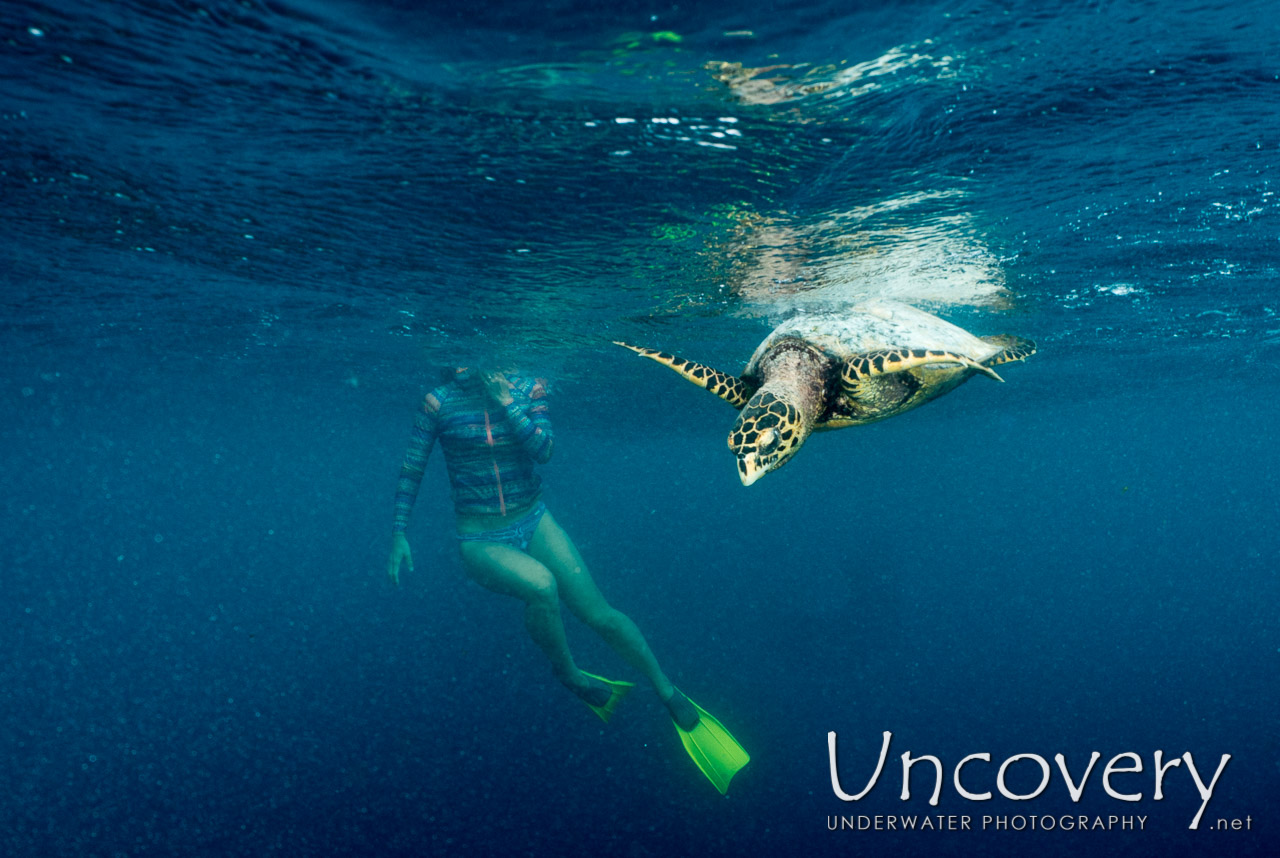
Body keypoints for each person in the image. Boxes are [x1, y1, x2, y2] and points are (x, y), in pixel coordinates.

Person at [387, 366, 749, 793]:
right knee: (541, 585)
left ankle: (669, 692)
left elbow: (544, 450)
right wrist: (398, 532)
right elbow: (413, 467)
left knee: (602, 615)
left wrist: (507, 402)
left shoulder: (527, 386)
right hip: (479, 537)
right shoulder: (438, 401)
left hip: (534, 518)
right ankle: (569, 673)